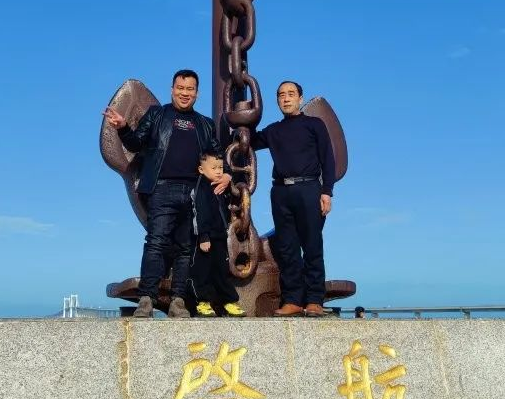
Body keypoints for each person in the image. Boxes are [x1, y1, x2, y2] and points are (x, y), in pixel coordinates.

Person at [104, 70, 231, 318]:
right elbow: (135, 143)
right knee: (156, 242)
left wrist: (227, 174)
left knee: (185, 248)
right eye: (180, 88)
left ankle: (178, 301)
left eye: (190, 89)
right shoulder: (157, 115)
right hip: (162, 188)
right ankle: (146, 299)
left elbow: (215, 155)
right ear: (172, 89)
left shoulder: (205, 124)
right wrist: (123, 128)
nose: (185, 93)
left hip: (194, 192)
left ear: (197, 93)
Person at [252, 80, 335, 318]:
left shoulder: (314, 125)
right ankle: (292, 300)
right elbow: (248, 141)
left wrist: (327, 191)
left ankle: (314, 300)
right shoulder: (273, 131)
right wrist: (241, 119)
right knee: (287, 248)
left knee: (312, 245)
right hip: (280, 192)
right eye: (281, 95)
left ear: (300, 98)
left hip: (309, 188)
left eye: (291, 94)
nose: (286, 98)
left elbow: (328, 159)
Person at [189, 152, 245, 318]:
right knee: (202, 270)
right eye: (214, 168)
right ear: (201, 169)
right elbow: (198, 212)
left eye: (220, 167)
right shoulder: (201, 187)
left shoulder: (219, 187)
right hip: (205, 238)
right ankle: (203, 302)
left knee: (222, 270)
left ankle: (229, 301)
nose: (219, 171)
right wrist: (203, 236)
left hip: (220, 236)